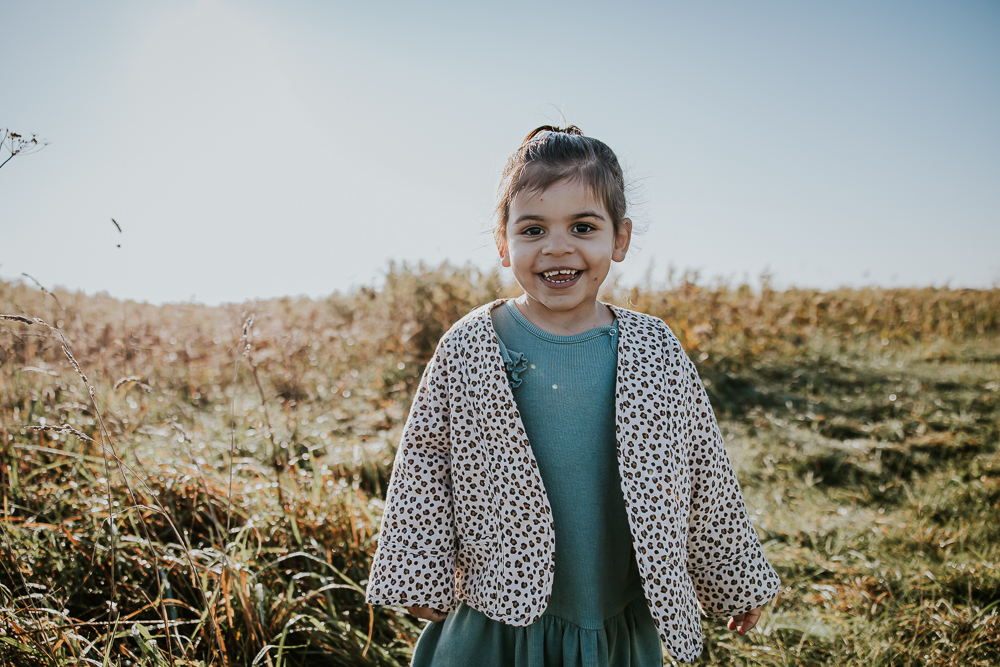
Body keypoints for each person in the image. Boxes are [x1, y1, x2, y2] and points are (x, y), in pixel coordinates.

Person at [366, 125, 781, 665]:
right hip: (499, 612)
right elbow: (427, 455)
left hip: (612, 608)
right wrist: (417, 573)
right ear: (502, 243)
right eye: (533, 229)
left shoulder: (653, 347)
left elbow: (701, 464)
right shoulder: (473, 342)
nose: (557, 247)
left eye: (583, 227)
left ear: (620, 239)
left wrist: (733, 576)